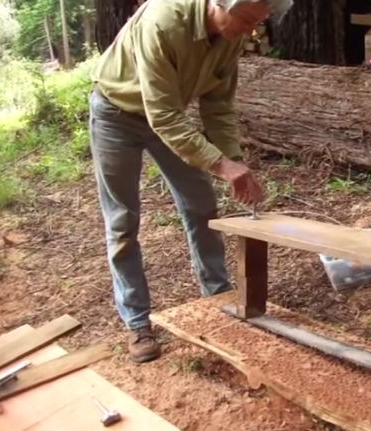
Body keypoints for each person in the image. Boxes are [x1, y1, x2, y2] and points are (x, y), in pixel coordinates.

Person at [89, 0, 293, 363]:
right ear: (218, 3)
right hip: (116, 114)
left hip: (169, 116)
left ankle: (218, 296)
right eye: (246, 19)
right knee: (122, 223)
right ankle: (138, 322)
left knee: (201, 206)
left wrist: (234, 161)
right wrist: (221, 165)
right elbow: (163, 115)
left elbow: (219, 106)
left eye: (256, 23)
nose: (249, 30)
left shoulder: (232, 34)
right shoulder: (163, 22)